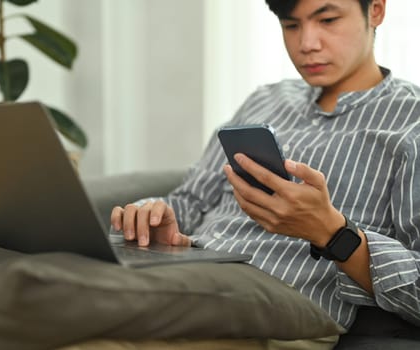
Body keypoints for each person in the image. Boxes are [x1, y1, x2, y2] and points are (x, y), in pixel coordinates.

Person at [111, 0, 420, 333]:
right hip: (195, 268)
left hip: (281, 302)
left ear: (375, 10)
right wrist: (148, 216)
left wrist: (332, 233)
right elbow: (190, 200)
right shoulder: (266, 100)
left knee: (62, 290)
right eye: (291, 26)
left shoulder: (410, 123)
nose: (307, 44)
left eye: (328, 20)